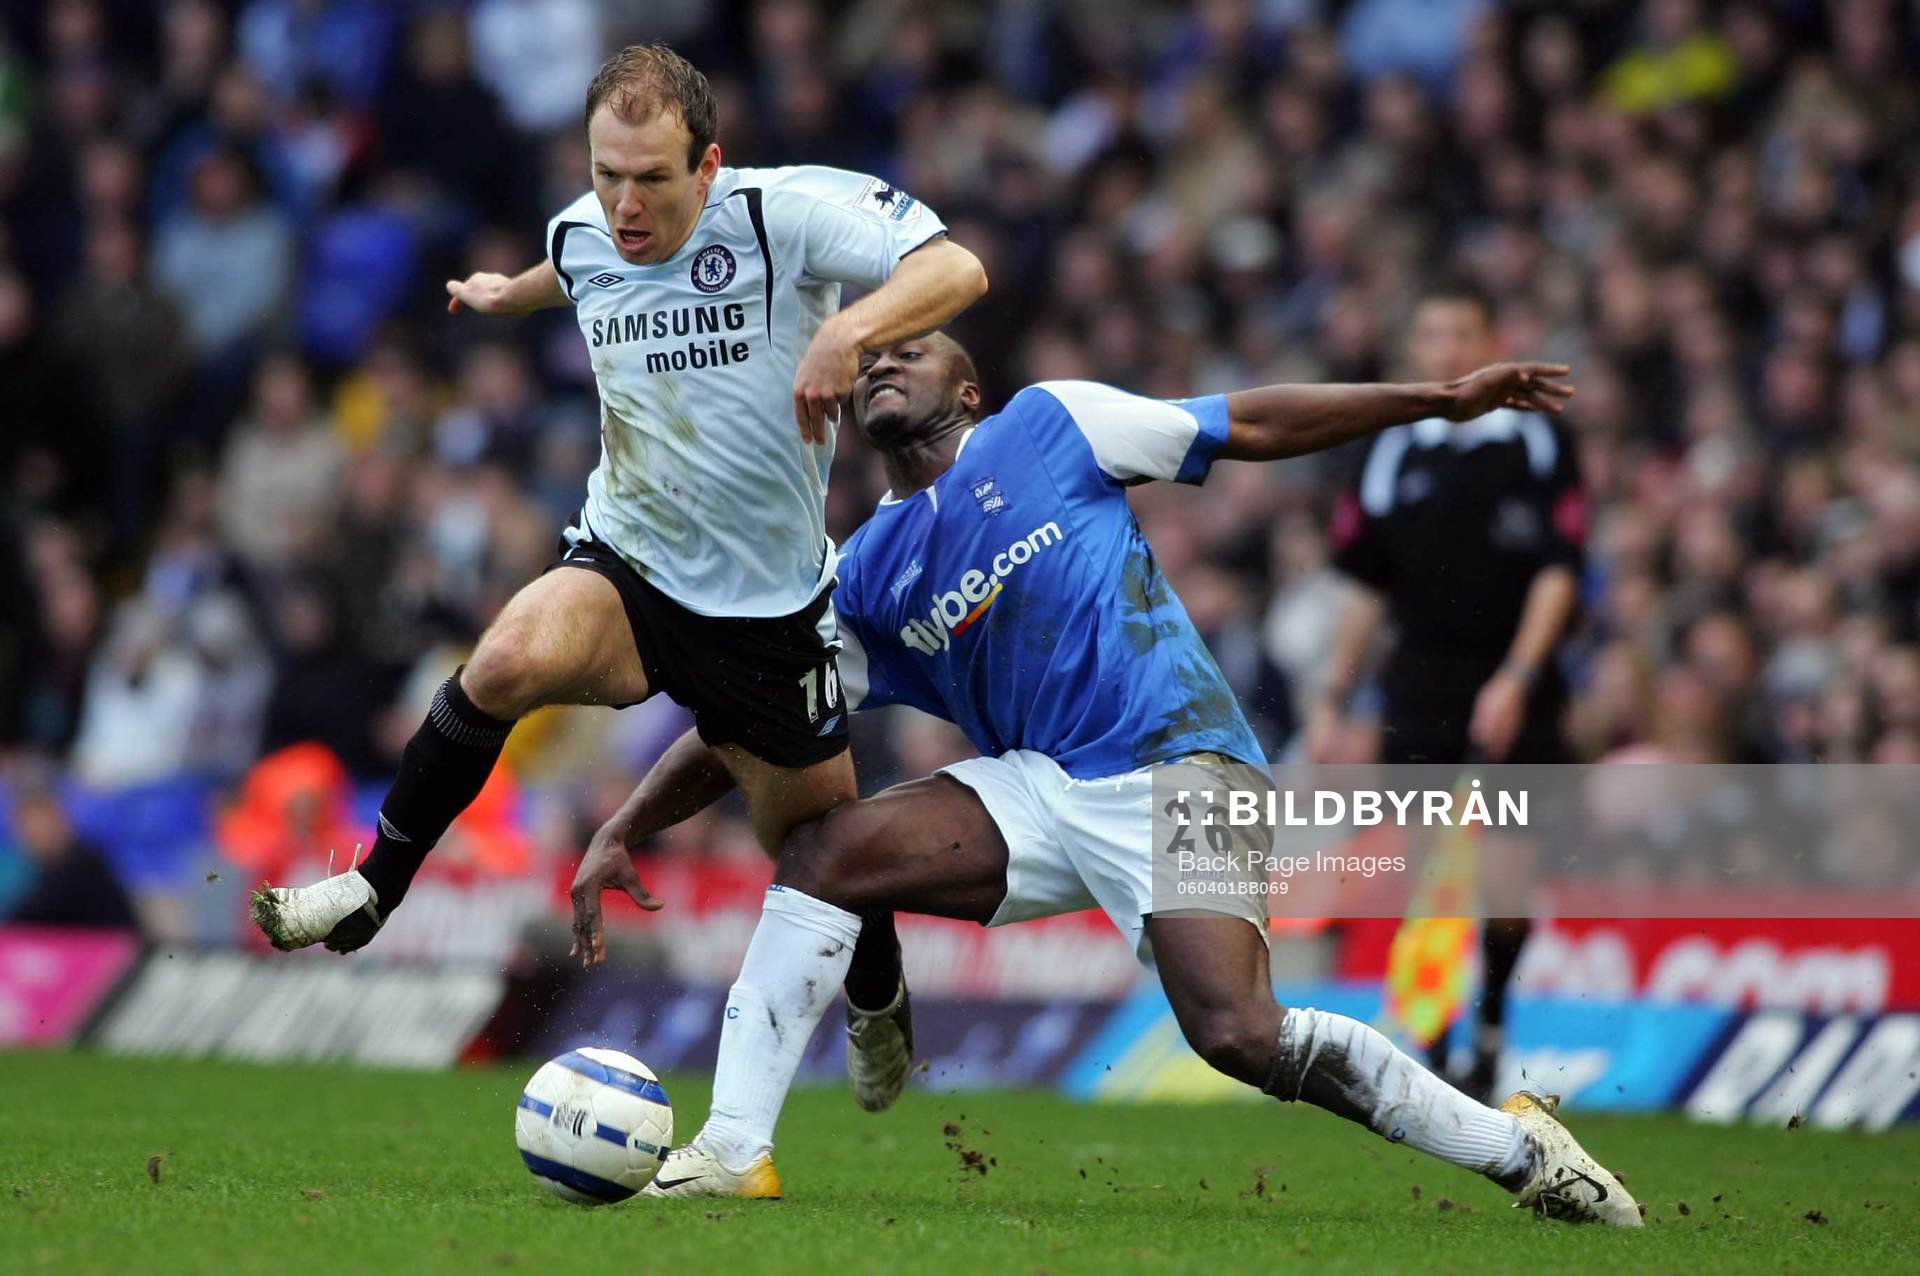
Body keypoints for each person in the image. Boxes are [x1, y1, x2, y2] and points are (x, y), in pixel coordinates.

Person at [569, 332, 1640, 1227]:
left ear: (969, 389)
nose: (884, 357)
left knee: (1235, 1032)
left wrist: (1435, 399)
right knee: (820, 852)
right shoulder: (864, 573)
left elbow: (1248, 422)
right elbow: (747, 727)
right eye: (871, 357)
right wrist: (626, 821)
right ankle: (737, 1144)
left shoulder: (1052, 424)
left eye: (913, 346)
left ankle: (1519, 1150)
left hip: (1189, 764)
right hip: (1041, 785)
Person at [251, 44, 988, 1112]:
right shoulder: (586, 230)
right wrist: (509, 296)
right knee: (502, 661)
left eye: (651, 178)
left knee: (827, 850)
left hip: (769, 614)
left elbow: (957, 269)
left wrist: (849, 326)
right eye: (606, 174)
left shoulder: (785, 217)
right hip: (627, 563)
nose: (625, 204)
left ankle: (877, 993)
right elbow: (578, 266)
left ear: (709, 164)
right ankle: (373, 889)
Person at [1307, 281, 1586, 1101]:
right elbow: (1365, 589)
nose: (1449, 351)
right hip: (1420, 683)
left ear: (1492, 340)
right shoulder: (1393, 448)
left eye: (1463, 333)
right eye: (1432, 335)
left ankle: (1493, 1018)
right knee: (1424, 869)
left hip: (1510, 681)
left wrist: (1520, 677)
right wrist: (1333, 695)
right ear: (1415, 350)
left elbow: (1559, 572)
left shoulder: (1535, 441)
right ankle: (1428, 1040)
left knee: (1503, 878)